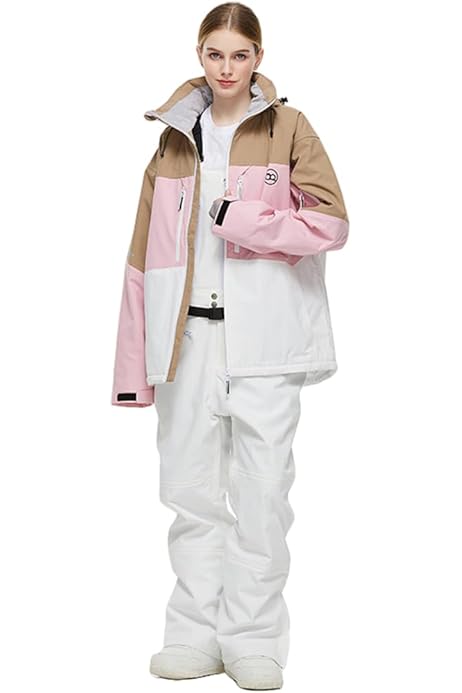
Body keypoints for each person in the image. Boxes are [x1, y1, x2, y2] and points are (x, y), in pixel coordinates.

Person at [110, 2, 349, 689]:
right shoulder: (172, 143)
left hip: (267, 341)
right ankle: (193, 632)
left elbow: (331, 223)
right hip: (186, 339)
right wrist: (134, 366)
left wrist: (238, 218)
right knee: (189, 492)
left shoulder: (290, 128)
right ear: (200, 55)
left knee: (263, 493)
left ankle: (254, 639)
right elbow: (141, 261)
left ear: (258, 58)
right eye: (215, 54)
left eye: (239, 55)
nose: (226, 68)